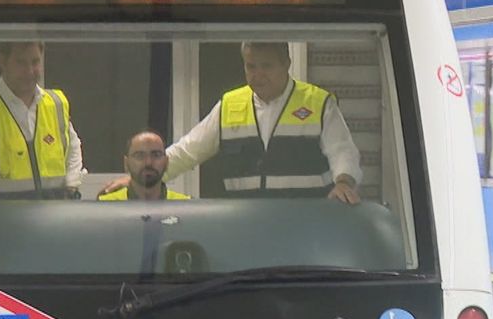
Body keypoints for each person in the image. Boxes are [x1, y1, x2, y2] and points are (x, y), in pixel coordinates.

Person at [103, 42, 361, 203]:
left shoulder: (318, 102)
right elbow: (188, 150)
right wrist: (145, 177)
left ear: (287, 64)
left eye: (266, 66)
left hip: (307, 223)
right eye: (251, 66)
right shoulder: (230, 104)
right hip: (246, 225)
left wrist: (344, 183)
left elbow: (343, 151)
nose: (257, 74)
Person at [0, 41, 84, 207]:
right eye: (21, 63)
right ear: (3, 62)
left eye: (35, 62)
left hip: (53, 212)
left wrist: (71, 186)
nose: (29, 71)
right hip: (0, 212)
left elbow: (73, 147)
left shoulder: (55, 103)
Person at [98, 131, 189, 201]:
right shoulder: (106, 205)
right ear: (126, 163)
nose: (148, 162)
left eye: (156, 155)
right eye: (139, 155)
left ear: (166, 162)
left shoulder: (184, 207)